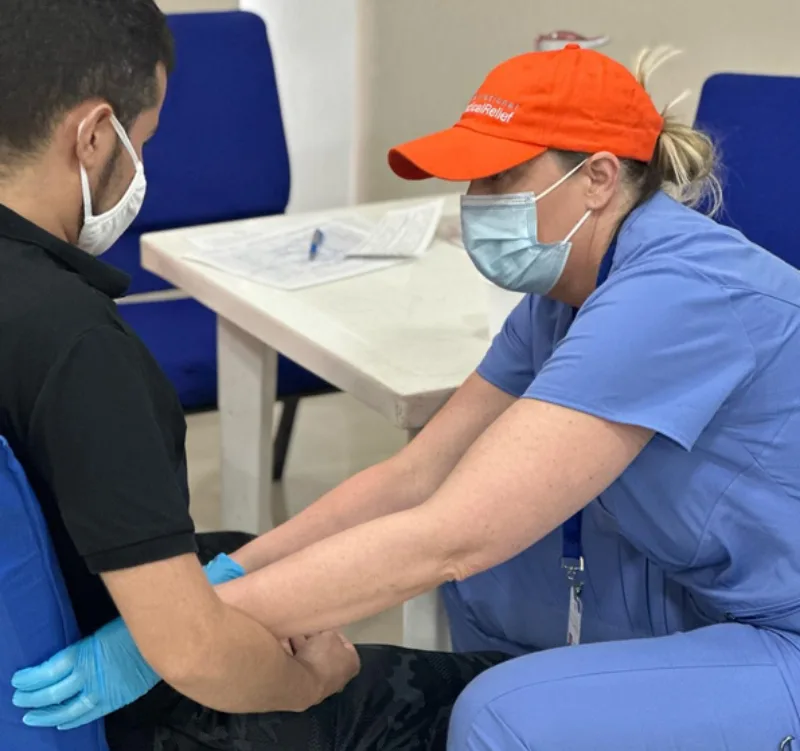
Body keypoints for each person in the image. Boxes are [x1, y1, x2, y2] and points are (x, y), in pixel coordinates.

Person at [14, 41, 800, 751]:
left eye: (502, 176)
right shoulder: (565, 292)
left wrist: (183, 635)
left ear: (597, 176)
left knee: (496, 710)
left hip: (779, 626)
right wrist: (218, 582)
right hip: (704, 586)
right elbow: (414, 476)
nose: (477, 198)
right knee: (488, 579)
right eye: (473, 176)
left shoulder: (677, 293)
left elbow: (451, 534)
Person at [0, 2, 507, 750]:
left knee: (243, 543)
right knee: (483, 694)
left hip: (57, 612)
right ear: (94, 134)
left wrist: (236, 574)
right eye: (144, 141)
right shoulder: (78, 346)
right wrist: (313, 681)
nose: (144, 164)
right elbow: (195, 653)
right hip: (142, 711)